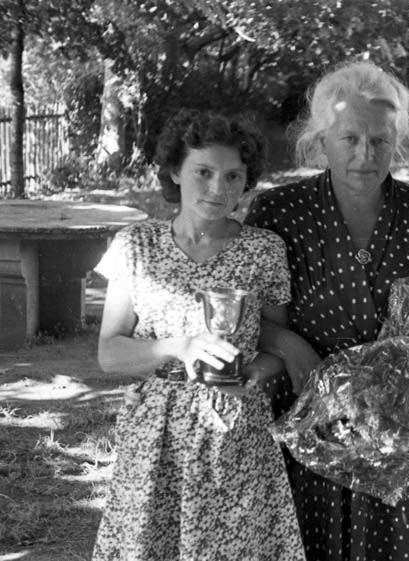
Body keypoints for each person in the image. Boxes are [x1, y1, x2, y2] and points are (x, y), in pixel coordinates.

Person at [243, 61, 409, 561]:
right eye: (350, 139)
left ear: (397, 141)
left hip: (394, 431)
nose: (366, 154)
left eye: (381, 140)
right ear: (321, 140)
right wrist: (286, 342)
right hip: (305, 421)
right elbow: (242, 313)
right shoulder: (279, 213)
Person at [91, 109, 305, 561]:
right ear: (175, 171)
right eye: (203, 172)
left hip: (234, 430)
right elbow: (109, 353)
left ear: (247, 182)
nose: (218, 188)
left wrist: (255, 373)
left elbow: (276, 343)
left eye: (233, 176)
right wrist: (179, 347)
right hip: (156, 435)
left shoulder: (264, 250)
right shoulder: (136, 245)